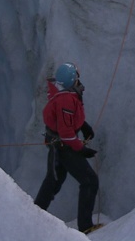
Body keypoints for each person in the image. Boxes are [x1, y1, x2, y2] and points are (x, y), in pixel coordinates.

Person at [34, 62, 102, 234]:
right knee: (89, 181)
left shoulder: (63, 93)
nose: (79, 79)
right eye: (77, 76)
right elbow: (65, 132)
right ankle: (86, 227)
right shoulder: (66, 99)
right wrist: (81, 149)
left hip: (59, 145)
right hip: (64, 146)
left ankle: (31, 216)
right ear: (72, 79)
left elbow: (65, 120)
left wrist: (83, 126)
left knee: (53, 182)